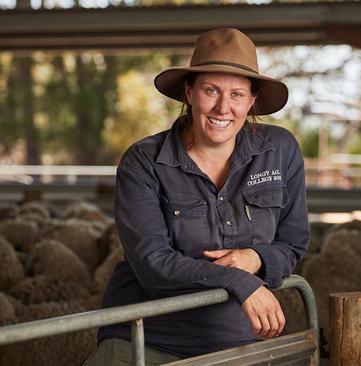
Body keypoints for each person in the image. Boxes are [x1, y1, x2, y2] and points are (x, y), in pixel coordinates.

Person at [84, 28, 309, 365]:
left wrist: (255, 258)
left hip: (237, 344)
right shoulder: (144, 162)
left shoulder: (279, 151)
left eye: (236, 94)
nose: (223, 107)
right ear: (189, 93)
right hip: (145, 342)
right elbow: (152, 262)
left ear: (252, 100)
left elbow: (292, 241)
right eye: (211, 90)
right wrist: (237, 279)